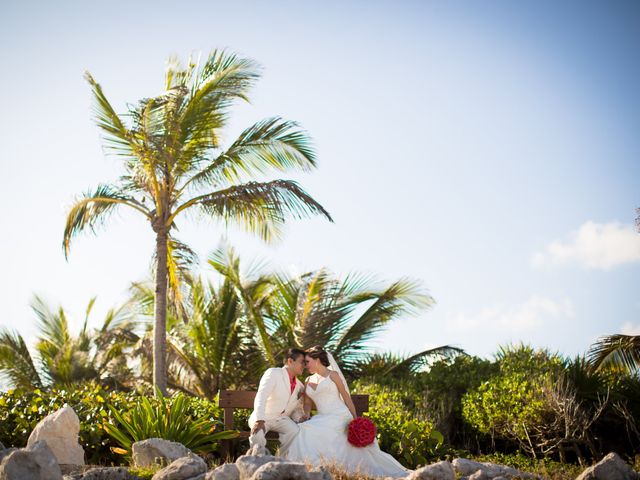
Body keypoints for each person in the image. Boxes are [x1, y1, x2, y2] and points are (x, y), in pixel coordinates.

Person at [283, 345, 410, 478]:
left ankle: (326, 468)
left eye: (307, 362)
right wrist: (307, 414)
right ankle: (307, 468)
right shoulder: (308, 380)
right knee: (303, 428)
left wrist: (356, 419)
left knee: (311, 430)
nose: (305, 365)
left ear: (317, 360)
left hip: (339, 416)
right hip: (322, 417)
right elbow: (307, 403)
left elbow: (346, 397)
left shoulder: (333, 375)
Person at [248, 348, 307, 453]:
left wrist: (300, 419)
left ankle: (282, 460)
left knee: (295, 431)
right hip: (264, 416)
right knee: (258, 434)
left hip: (282, 419)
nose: (304, 366)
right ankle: (256, 460)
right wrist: (259, 419)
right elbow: (261, 396)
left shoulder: (300, 386)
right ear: (290, 361)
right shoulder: (273, 373)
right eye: (302, 362)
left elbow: (296, 409)